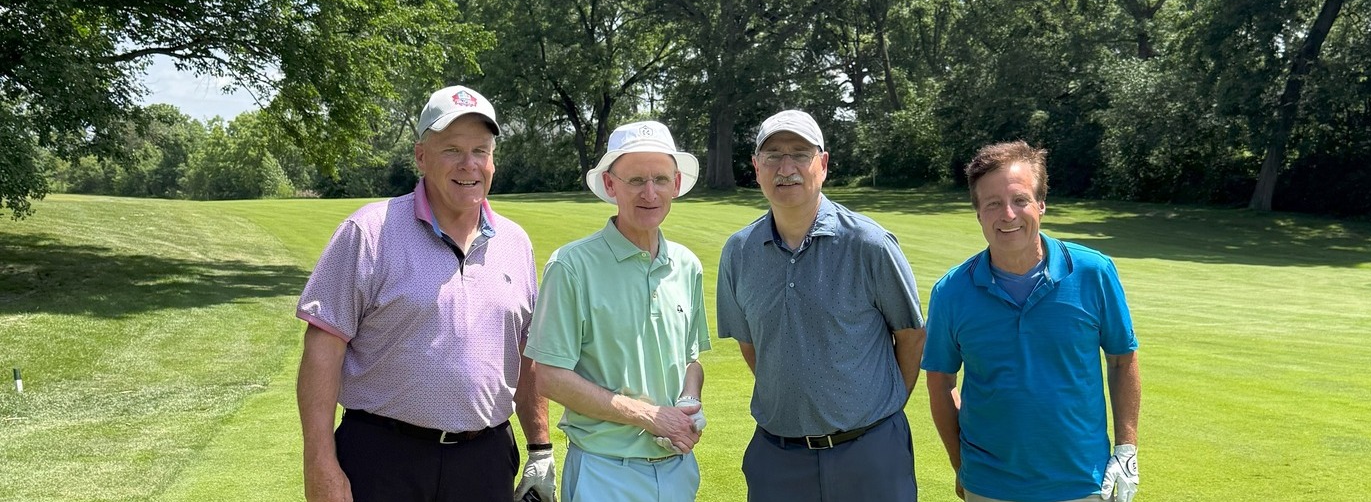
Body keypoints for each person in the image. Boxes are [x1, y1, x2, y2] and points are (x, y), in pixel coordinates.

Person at [295, 85, 555, 502]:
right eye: (451, 149)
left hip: (485, 460)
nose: (469, 164)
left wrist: (540, 448)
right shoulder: (369, 232)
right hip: (383, 457)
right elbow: (322, 350)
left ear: (492, 160)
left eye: (480, 151)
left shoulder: (515, 242)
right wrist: (319, 462)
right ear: (421, 156)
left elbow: (526, 353)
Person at [716, 109, 926, 502]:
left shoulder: (870, 244)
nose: (786, 167)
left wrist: (878, 409)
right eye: (773, 154)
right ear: (756, 167)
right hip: (777, 458)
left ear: (823, 164)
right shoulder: (739, 251)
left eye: (800, 153)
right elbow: (752, 346)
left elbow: (912, 336)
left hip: (870, 452)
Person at [923, 141, 1141, 502]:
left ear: (1041, 204)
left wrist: (1126, 448)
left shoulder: (1094, 272)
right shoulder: (951, 291)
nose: (1007, 214)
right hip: (989, 486)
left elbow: (1122, 359)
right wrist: (961, 464)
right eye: (992, 204)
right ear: (978, 213)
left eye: (1020, 200)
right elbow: (941, 381)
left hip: (1084, 482)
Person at [524, 121, 710, 502]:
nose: (650, 192)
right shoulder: (572, 265)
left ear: (676, 185)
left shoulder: (686, 265)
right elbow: (549, 377)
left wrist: (690, 400)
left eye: (660, 179)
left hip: (677, 468)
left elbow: (692, 359)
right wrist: (649, 415)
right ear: (610, 185)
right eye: (635, 180)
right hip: (604, 472)